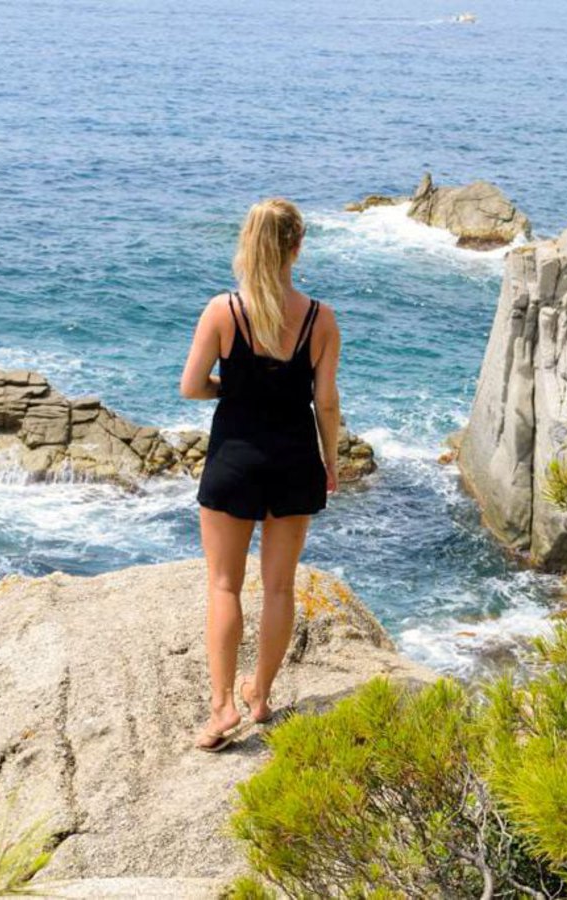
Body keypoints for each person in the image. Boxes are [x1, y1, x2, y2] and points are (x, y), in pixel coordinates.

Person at [179, 197, 342, 752]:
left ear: (247, 245)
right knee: (278, 587)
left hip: (235, 459)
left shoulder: (223, 311)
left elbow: (191, 385)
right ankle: (260, 697)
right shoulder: (320, 318)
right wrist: (332, 463)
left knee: (224, 585)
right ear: (297, 247)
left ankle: (221, 706)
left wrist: (234, 388)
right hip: (296, 459)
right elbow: (326, 402)